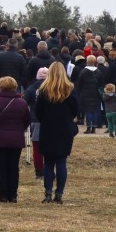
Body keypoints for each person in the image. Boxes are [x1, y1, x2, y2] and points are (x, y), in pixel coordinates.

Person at [0, 76, 30, 203]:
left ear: (1, 87)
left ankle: (3, 194)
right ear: (14, 87)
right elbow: (27, 121)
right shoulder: (22, 103)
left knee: (0, 167)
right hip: (16, 139)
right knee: (13, 167)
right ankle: (13, 194)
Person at [35, 62, 79, 204]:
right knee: (61, 161)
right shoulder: (70, 89)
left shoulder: (43, 90)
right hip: (65, 128)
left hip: (48, 128)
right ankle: (59, 193)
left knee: (48, 162)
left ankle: (48, 191)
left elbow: (38, 112)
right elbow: (76, 109)